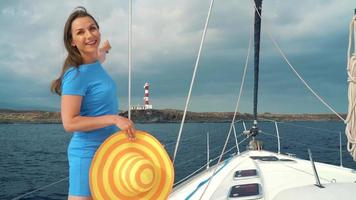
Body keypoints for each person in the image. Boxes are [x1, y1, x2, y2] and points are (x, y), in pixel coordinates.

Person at [50, 7, 135, 200]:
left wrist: (106, 47)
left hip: (109, 152)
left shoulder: (95, 59)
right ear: (72, 42)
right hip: (87, 155)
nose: (89, 35)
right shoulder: (75, 75)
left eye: (93, 28)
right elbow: (69, 123)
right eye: (80, 32)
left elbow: (101, 53)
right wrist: (114, 119)